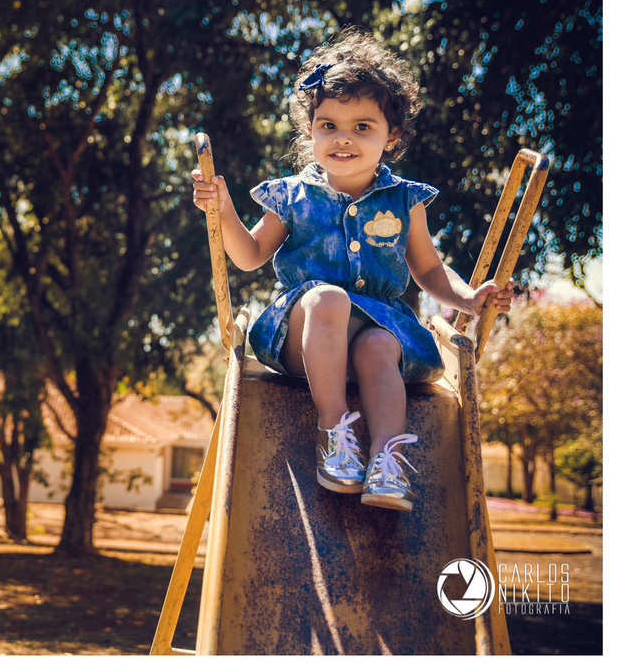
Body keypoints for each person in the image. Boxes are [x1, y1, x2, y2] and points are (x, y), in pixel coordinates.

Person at [191, 29, 513, 512]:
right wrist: (223, 211)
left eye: (363, 127)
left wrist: (468, 298)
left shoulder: (405, 200)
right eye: (329, 125)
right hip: (303, 337)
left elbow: (425, 266)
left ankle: (387, 461)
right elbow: (250, 255)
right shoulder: (292, 196)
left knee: (383, 343)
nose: (343, 138)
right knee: (329, 299)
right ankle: (334, 433)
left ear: (392, 135)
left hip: (372, 331)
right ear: (310, 131)